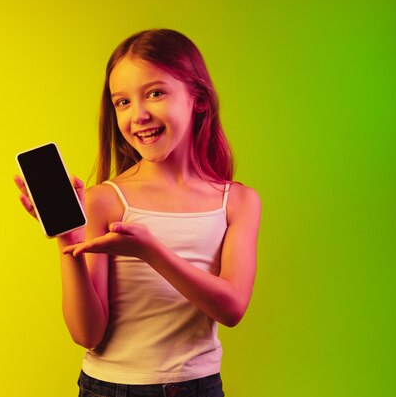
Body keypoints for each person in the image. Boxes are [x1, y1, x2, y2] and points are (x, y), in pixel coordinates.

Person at [14, 29, 261, 397]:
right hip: (110, 388)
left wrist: (151, 251)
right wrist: (69, 242)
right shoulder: (104, 200)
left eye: (155, 93)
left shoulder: (238, 201)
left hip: (198, 388)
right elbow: (87, 334)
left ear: (199, 99)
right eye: (122, 102)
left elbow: (232, 308)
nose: (139, 114)